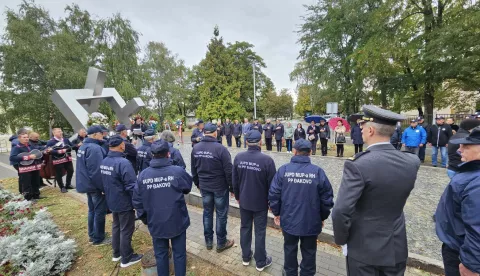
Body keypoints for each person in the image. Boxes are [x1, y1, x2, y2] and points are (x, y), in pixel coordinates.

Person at [332, 105, 420, 276]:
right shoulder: (412, 161)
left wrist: (342, 240)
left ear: (371, 130)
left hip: (364, 248)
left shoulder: (358, 164)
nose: (361, 130)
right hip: (397, 246)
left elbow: (341, 211)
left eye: (362, 126)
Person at [269, 139, 334, 276]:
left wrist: (277, 213)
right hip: (311, 221)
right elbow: (327, 199)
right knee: (309, 251)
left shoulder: (284, 170)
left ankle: (290, 272)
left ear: (294, 151)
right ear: (310, 152)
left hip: (289, 219)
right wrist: (322, 217)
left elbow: (274, 194)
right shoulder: (317, 172)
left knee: (289, 248)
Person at [134, 140, 192, 276]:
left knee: (160, 255)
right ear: (168, 154)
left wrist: (146, 219)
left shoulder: (143, 175)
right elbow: (187, 187)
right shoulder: (177, 171)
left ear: (152, 154)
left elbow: (137, 201)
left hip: (156, 222)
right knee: (179, 254)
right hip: (177, 221)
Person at [435, 127, 480, 276]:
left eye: (466, 146)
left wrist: (472, 266)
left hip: (462, 254)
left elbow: (477, 227)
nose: (459, 150)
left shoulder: (477, 183)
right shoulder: (473, 173)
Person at [232, 130, 276, 271]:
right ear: (261, 142)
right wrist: (272, 203)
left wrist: (238, 197)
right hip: (260, 203)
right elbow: (273, 186)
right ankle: (260, 262)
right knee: (259, 232)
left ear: (246, 142)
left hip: (244, 201)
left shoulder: (239, 158)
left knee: (245, 228)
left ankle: (245, 257)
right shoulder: (267, 161)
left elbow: (235, 182)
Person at [191, 123, 235, 252]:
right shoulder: (220, 149)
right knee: (221, 215)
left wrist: (197, 183)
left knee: (207, 213)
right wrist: (232, 188)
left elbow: (194, 170)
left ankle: (209, 241)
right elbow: (229, 171)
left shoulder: (196, 148)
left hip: (204, 186)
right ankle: (221, 243)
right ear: (215, 133)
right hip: (219, 187)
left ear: (204, 132)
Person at [101, 135, 143, 267]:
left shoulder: (105, 161)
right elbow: (131, 186)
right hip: (124, 201)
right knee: (126, 229)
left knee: (116, 226)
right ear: (121, 146)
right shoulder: (123, 163)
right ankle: (127, 258)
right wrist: (138, 203)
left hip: (112, 200)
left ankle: (117, 253)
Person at [75, 126, 109, 246]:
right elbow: (97, 171)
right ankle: (98, 238)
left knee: (92, 210)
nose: (103, 135)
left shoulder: (84, 146)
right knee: (99, 211)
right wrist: (103, 187)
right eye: (101, 133)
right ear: (95, 135)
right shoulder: (94, 148)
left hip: (86, 184)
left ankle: (92, 234)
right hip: (94, 186)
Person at [10, 133, 43, 200]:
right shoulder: (16, 147)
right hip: (25, 169)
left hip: (34, 167)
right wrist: (27, 157)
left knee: (36, 181)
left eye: (27, 137)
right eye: (24, 137)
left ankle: (36, 195)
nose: (26, 138)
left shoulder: (31, 146)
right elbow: (12, 158)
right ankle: (28, 198)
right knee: (26, 183)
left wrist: (46, 150)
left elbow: (38, 150)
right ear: (19, 138)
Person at [46, 128, 74, 193]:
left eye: (61, 131)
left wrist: (76, 146)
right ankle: (62, 187)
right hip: (58, 160)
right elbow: (48, 151)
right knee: (59, 174)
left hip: (67, 158)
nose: (61, 133)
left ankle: (68, 184)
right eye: (59, 132)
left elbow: (71, 146)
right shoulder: (51, 142)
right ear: (54, 133)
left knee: (71, 171)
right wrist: (59, 151)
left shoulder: (66, 139)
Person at [10, 128, 29, 193]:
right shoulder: (16, 141)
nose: (26, 138)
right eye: (25, 135)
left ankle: (23, 191)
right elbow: (14, 155)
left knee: (22, 176)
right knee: (22, 177)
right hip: (17, 162)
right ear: (21, 134)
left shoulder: (18, 140)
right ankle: (22, 191)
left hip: (20, 161)